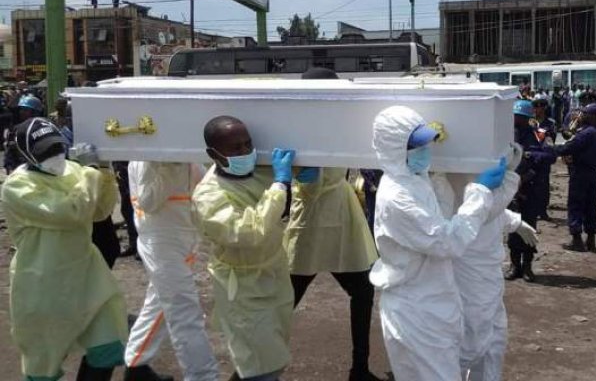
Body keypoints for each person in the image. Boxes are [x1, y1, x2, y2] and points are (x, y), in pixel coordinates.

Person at [369, 105, 507, 381]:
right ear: (395, 149)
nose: (425, 150)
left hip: (431, 304)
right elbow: (447, 242)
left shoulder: (413, 180)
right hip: (415, 312)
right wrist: (479, 193)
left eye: (426, 143)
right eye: (417, 145)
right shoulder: (398, 198)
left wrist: (441, 172)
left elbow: (440, 212)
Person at [2, 118, 126, 380]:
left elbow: (100, 212)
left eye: (57, 147)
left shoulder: (73, 170)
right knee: (44, 365)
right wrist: (92, 171)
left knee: (108, 347)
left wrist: (104, 171)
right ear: (25, 154)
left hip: (86, 275)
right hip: (43, 283)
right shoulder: (16, 187)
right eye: (45, 151)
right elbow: (69, 213)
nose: (54, 155)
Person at [284, 68, 381, 381]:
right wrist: (300, 172)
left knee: (363, 291)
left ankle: (360, 368)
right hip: (311, 214)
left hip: (340, 215)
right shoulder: (293, 126)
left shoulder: (339, 123)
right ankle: (255, 370)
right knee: (283, 302)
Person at [191, 116, 297, 381]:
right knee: (262, 365)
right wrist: (280, 185)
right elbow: (247, 233)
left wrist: (299, 176)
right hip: (242, 290)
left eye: (248, 144)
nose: (245, 152)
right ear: (213, 154)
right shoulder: (208, 195)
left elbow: (279, 204)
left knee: (266, 359)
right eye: (235, 148)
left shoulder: (258, 172)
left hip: (273, 277)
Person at [430, 146, 537, 381]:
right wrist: (510, 176)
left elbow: (487, 206)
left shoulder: (476, 162)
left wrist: (514, 222)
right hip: (470, 264)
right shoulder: (445, 180)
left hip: (488, 265)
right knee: (471, 340)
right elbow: (481, 207)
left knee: (495, 339)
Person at [123, 161, 219, 381]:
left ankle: (136, 366)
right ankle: (203, 376)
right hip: (162, 244)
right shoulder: (146, 158)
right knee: (184, 311)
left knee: (158, 304)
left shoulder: (183, 153)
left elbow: (205, 183)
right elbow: (148, 201)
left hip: (183, 238)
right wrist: (171, 166)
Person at [506, 100, 556, 281]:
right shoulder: (506, 135)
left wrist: (530, 156)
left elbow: (550, 155)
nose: (514, 119)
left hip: (531, 187)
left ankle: (527, 266)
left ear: (526, 118)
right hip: (511, 187)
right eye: (514, 116)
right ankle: (514, 265)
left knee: (529, 227)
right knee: (513, 227)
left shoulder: (539, 135)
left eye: (518, 117)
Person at [556, 103, 596, 251]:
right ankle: (591, 240)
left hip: (580, 173)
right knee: (591, 207)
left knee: (575, 205)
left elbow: (570, 147)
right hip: (593, 174)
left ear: (593, 117)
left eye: (586, 114)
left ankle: (577, 240)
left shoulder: (587, 133)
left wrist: (553, 149)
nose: (582, 116)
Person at [4, 94, 44, 175]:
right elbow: (10, 152)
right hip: (21, 169)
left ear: (35, 112)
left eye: (26, 110)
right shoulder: (16, 129)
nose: (22, 112)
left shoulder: (43, 126)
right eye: (21, 109)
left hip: (39, 169)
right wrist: (9, 167)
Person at [532, 98, 556, 221]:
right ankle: (534, 209)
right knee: (532, 184)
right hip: (532, 155)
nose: (537, 110)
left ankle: (543, 210)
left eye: (539, 107)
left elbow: (551, 137)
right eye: (535, 107)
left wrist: (539, 132)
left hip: (544, 156)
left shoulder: (550, 123)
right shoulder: (530, 121)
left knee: (544, 185)